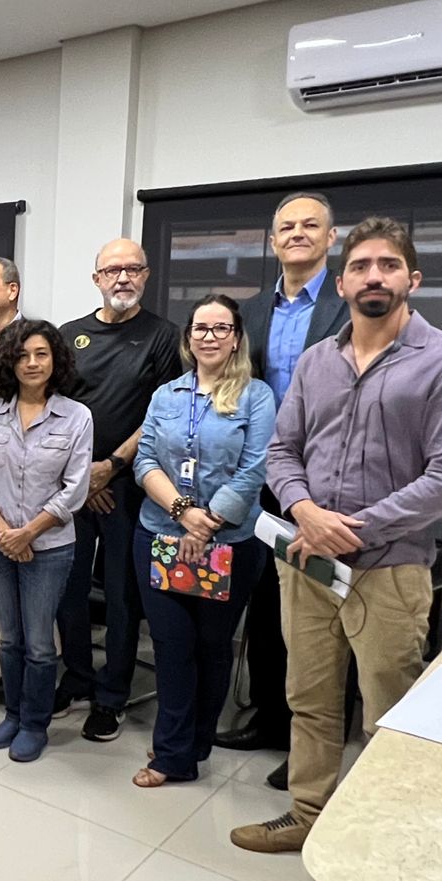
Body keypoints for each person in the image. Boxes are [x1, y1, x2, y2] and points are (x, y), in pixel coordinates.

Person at [231, 218, 442, 881]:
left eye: (389, 264)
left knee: (386, 717)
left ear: (412, 279)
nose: (375, 276)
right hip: (308, 562)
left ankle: (375, 860)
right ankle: (308, 814)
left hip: (391, 568)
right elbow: (282, 451)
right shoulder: (317, 362)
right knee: (310, 699)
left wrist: (355, 529)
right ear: (341, 284)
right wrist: (304, 510)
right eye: (363, 266)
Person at [215, 192, 348, 769]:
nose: (297, 233)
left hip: (331, 482)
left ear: (331, 238)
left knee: (323, 614)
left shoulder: (350, 307)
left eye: (310, 225)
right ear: (272, 242)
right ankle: (271, 720)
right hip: (265, 475)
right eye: (286, 227)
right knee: (268, 607)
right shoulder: (250, 313)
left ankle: (315, 743)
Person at [131, 295, 275, 786]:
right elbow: (145, 460)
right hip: (161, 535)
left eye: (220, 328)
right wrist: (184, 514)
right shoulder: (167, 395)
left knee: (213, 647)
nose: (209, 336)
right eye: (200, 328)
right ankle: (173, 753)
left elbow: (255, 468)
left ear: (236, 338)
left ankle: (194, 742)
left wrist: (207, 523)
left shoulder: (256, 396)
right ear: (188, 337)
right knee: (172, 645)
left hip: (229, 543)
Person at [54, 239, 182, 742]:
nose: (122, 278)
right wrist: (83, 477)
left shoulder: (164, 337)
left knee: (122, 596)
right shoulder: (69, 335)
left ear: (146, 275)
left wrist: (111, 466)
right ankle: (77, 677)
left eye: (132, 269)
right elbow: (55, 409)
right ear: (97, 279)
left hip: (132, 486)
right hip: (75, 485)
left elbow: (160, 414)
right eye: (112, 270)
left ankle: (111, 695)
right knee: (69, 590)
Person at [0, 320, 93, 761]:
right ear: (9, 362)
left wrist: (28, 533)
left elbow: (75, 489)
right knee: (10, 638)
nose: (32, 363)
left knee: (39, 643)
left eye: (41, 354)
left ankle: (35, 723)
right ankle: (13, 714)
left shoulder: (76, 417)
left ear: (56, 360)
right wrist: (5, 532)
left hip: (49, 547)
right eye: (22, 355)